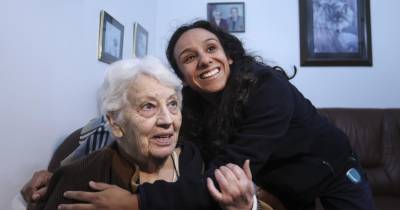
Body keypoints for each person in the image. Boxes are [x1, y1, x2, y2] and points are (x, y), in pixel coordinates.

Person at [22, 20, 375, 210]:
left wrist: (135, 203)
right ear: (182, 73)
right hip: (280, 185)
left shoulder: (268, 90)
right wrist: (56, 172)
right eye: (189, 58)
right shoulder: (183, 102)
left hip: (332, 171)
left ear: (230, 55)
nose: (204, 60)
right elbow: (109, 124)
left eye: (211, 49)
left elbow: (226, 173)